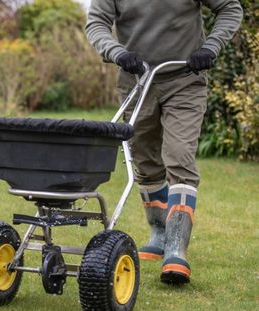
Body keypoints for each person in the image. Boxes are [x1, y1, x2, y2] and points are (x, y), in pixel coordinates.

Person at [85, 0, 243, 284]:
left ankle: (176, 248)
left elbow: (230, 7)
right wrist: (117, 53)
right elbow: (96, 24)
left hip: (186, 78)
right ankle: (159, 233)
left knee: (179, 156)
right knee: (144, 163)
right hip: (136, 81)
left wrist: (211, 47)